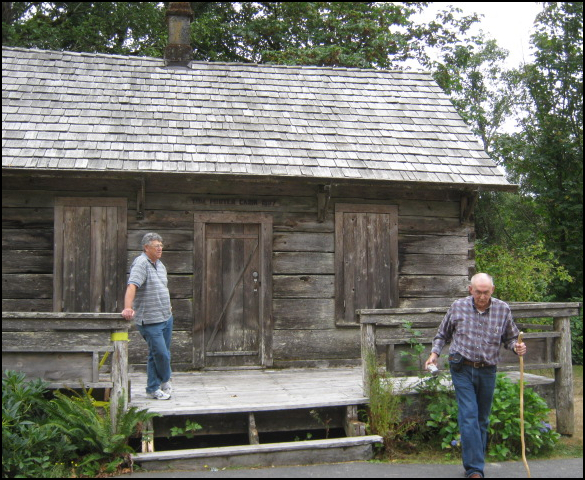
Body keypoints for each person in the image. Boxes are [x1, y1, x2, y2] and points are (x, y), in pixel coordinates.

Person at [424, 273, 526, 479]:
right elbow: (442, 334)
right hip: (461, 367)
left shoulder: (502, 309)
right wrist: (434, 354)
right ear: (470, 290)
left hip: (488, 369)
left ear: (492, 291)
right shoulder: (457, 307)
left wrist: (517, 347)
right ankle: (475, 469)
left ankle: (474, 463)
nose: (482, 296)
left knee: (482, 419)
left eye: (486, 292)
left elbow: (510, 338)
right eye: (478, 292)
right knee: (469, 416)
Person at [121, 233, 173, 400]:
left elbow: (162, 288)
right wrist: (127, 308)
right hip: (150, 319)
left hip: (166, 316)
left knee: (156, 354)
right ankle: (165, 379)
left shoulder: (160, 264)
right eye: (156, 245)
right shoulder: (141, 264)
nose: (160, 248)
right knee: (161, 354)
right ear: (146, 248)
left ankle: (153, 388)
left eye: (161, 245)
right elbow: (132, 286)